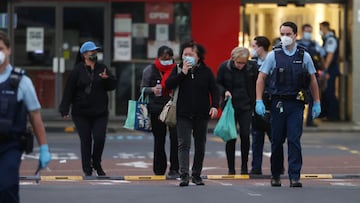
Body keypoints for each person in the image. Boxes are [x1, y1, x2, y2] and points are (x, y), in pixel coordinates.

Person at [255, 21, 321, 187]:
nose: (284, 37)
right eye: (282, 34)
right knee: (276, 140)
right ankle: (276, 174)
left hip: (296, 103)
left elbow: (313, 79)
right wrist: (259, 100)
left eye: (288, 34)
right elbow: (261, 78)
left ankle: (294, 176)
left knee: (294, 140)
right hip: (278, 102)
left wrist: (317, 102)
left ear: (295, 35)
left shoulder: (303, 56)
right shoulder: (273, 55)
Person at [0, 30, 51, 202]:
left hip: (10, 145)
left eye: (0, 48)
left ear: (8, 50)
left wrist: (44, 148)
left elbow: (35, 116)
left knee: (7, 186)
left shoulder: (22, 82)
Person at [165, 41, 219, 186]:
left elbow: (214, 90)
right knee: (184, 144)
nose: (187, 57)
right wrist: (183, 73)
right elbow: (168, 85)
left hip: (202, 113)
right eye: (185, 54)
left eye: (191, 54)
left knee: (200, 144)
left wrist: (214, 106)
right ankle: (184, 175)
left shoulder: (206, 72)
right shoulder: (177, 69)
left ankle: (196, 174)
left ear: (198, 56)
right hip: (183, 113)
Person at [59, 41, 117, 177]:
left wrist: (106, 79)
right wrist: (64, 108)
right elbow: (69, 90)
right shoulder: (77, 70)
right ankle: (87, 168)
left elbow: (112, 85)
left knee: (99, 138)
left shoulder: (102, 68)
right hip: (81, 113)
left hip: (100, 112)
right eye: (92, 52)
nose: (94, 54)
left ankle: (96, 162)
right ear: (84, 54)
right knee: (86, 140)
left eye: (96, 52)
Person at [216, 47, 258, 175]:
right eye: (238, 63)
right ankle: (231, 168)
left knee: (245, 135)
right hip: (230, 106)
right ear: (233, 58)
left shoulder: (252, 67)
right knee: (231, 137)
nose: (241, 65)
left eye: (243, 63)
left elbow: (257, 83)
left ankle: (244, 166)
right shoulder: (224, 67)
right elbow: (217, 83)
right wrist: (224, 91)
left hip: (246, 105)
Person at [140, 46, 179, 177]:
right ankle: (159, 168)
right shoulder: (150, 70)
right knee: (159, 139)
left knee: (175, 138)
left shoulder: (177, 70)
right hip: (156, 108)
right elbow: (142, 89)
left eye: (169, 58)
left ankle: (175, 168)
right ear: (158, 57)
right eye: (163, 58)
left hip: (173, 107)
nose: (166, 60)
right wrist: (152, 90)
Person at [249, 36, 284, 175]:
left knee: (275, 138)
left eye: (254, 46)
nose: (252, 49)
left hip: (272, 103)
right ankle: (256, 168)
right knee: (257, 138)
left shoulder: (273, 61)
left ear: (261, 47)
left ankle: (278, 167)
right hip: (258, 103)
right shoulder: (252, 64)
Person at [298, 24, 326, 127]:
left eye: (310, 31)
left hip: (313, 74)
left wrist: (324, 71)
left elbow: (322, 57)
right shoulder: (297, 44)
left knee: (313, 97)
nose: (308, 33)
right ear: (302, 32)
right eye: (306, 31)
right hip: (300, 76)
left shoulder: (315, 45)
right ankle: (297, 120)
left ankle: (310, 120)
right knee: (300, 98)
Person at [319, 21, 340, 121]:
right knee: (326, 92)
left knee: (329, 92)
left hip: (330, 70)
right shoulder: (326, 39)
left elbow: (330, 56)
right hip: (328, 69)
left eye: (321, 28)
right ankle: (326, 114)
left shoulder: (330, 39)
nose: (320, 31)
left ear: (324, 27)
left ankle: (333, 116)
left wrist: (325, 70)